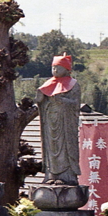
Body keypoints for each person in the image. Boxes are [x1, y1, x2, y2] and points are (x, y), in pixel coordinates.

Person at [35, 54, 80, 186]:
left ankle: (66, 175)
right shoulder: (48, 84)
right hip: (50, 121)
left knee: (64, 147)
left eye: (58, 67)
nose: (55, 70)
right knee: (51, 147)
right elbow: (41, 103)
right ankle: (51, 174)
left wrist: (62, 101)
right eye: (53, 68)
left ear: (67, 69)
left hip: (65, 123)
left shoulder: (73, 85)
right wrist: (40, 99)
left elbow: (75, 104)